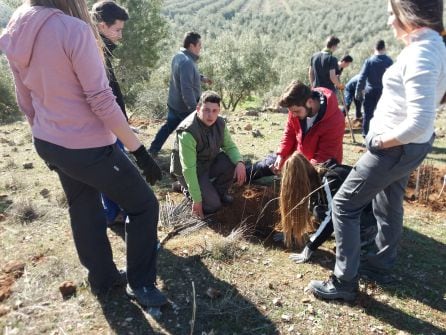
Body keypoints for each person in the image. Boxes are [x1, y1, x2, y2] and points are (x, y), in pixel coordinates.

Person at [0, 0, 167, 307]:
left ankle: (102, 280)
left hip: (49, 141)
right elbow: (102, 101)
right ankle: (141, 284)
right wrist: (139, 151)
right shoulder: (75, 30)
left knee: (84, 206)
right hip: (88, 146)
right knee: (143, 205)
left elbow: (25, 98)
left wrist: (44, 136)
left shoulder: (16, 25)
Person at [309, 0, 446, 302]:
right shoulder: (435, 45)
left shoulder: (422, 52)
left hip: (394, 148)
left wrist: (380, 141)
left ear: (408, 14)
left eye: (390, 14)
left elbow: (420, 119)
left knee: (344, 204)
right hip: (412, 147)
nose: (389, 22)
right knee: (389, 202)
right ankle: (380, 264)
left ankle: (344, 281)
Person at [278, 153, 377, 264]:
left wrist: (310, 247)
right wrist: (291, 232)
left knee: (342, 245)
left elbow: (332, 217)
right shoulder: (316, 176)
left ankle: (366, 233)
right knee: (318, 210)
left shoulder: (330, 180)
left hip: (370, 215)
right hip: (357, 209)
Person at [246, 80, 345, 181]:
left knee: (309, 188)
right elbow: (289, 133)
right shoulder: (296, 105)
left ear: (310, 102)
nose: (293, 115)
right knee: (265, 166)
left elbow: (324, 158)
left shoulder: (335, 120)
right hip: (297, 157)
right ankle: (237, 174)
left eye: (297, 111)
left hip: (321, 168)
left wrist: (296, 172)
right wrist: (281, 155)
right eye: (291, 112)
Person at [170, 91, 246, 219]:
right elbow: (188, 168)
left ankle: (217, 193)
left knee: (231, 161)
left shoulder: (220, 123)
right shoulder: (188, 131)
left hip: (207, 163)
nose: (210, 115)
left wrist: (240, 162)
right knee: (213, 206)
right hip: (189, 171)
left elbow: (230, 146)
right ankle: (186, 188)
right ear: (198, 109)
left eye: (214, 111)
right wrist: (197, 200)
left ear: (219, 110)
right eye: (206, 110)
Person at [92, 0, 129, 226]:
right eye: (118, 29)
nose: (120, 36)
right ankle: (120, 213)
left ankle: (113, 212)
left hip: (112, 123)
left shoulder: (101, 50)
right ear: (102, 26)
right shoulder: (95, 53)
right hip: (108, 125)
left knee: (110, 170)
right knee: (116, 170)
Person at [149, 31, 212, 157]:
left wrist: (201, 78)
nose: (201, 48)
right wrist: (194, 109)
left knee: (168, 128)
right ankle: (201, 157)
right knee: (196, 132)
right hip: (184, 107)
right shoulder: (187, 62)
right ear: (192, 46)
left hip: (174, 103)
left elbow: (184, 76)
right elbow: (186, 89)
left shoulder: (179, 56)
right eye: (199, 45)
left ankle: (152, 151)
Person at [355, 40, 393, 136]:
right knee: (384, 114)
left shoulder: (369, 61)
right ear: (384, 48)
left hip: (370, 91)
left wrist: (358, 91)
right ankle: (383, 134)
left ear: (374, 48)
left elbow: (362, 77)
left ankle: (366, 134)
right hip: (384, 92)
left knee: (368, 114)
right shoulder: (389, 61)